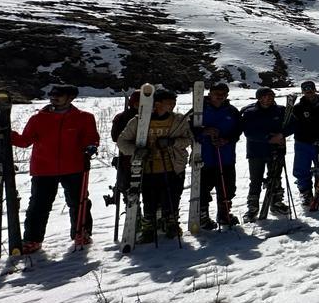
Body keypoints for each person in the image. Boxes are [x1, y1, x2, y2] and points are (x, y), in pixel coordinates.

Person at [12, 84, 100, 252]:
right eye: (52, 94)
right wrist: (7, 134)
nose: (53, 97)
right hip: (44, 168)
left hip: (74, 166)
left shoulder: (84, 118)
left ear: (70, 98)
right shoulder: (38, 119)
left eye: (58, 95)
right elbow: (24, 141)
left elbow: (91, 137)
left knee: (79, 203)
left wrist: (91, 146)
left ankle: (82, 233)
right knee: (38, 205)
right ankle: (32, 239)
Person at [119, 88, 192, 242]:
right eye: (169, 103)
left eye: (174, 102)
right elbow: (122, 141)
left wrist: (172, 142)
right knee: (149, 198)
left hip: (174, 166)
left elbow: (188, 140)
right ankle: (149, 228)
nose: (172, 105)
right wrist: (136, 151)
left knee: (172, 197)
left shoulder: (178, 120)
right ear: (157, 104)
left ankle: (171, 223)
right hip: (147, 168)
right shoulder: (139, 121)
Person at [196, 82, 242, 228]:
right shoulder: (198, 109)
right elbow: (188, 129)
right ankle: (203, 216)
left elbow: (238, 131)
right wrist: (204, 131)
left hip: (226, 156)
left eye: (223, 94)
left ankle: (224, 213)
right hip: (204, 157)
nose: (220, 97)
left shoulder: (232, 111)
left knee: (227, 187)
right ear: (210, 94)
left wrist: (226, 140)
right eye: (217, 94)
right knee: (203, 189)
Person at [240, 87, 290, 220]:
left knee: (275, 177)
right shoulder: (250, 113)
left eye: (271, 96)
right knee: (255, 180)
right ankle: (252, 207)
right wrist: (269, 138)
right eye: (265, 96)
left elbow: (292, 124)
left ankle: (276, 202)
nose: (268, 99)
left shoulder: (280, 110)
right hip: (256, 152)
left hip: (276, 150)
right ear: (259, 98)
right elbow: (249, 132)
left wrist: (282, 135)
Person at [291, 80, 319, 208]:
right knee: (301, 169)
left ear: (314, 89)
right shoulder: (298, 108)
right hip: (302, 142)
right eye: (305, 89)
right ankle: (306, 194)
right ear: (302, 91)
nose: (308, 91)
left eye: (310, 88)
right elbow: (293, 124)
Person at [106, 90, 140, 212]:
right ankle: (134, 217)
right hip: (127, 158)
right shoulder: (122, 117)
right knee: (129, 188)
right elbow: (116, 137)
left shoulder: (152, 116)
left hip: (143, 158)